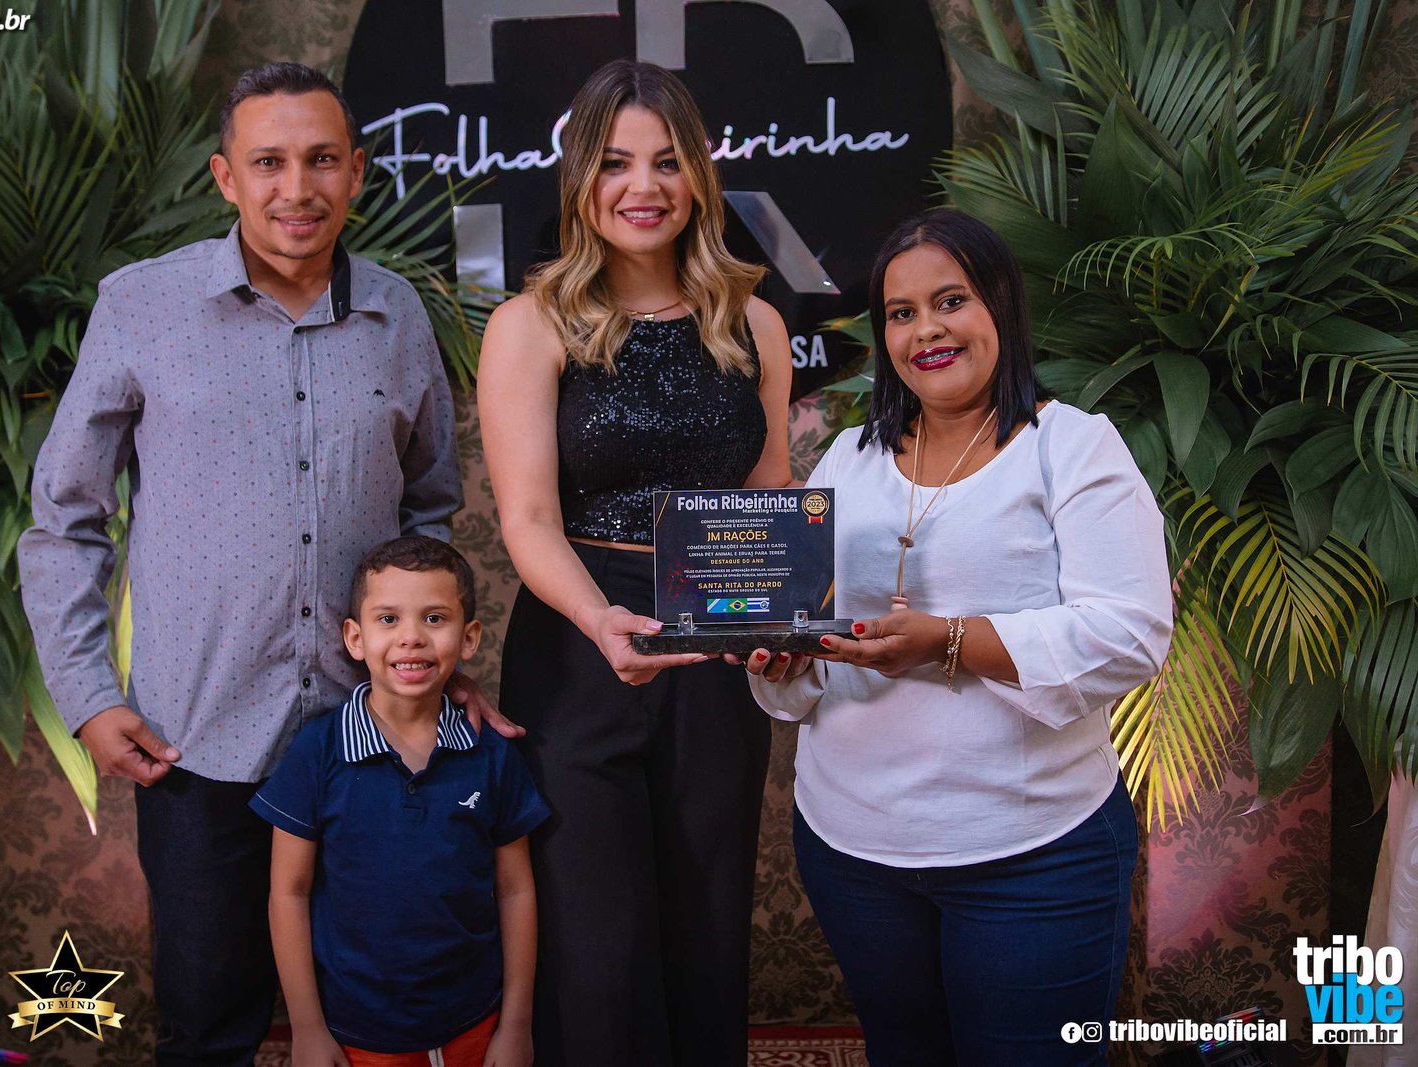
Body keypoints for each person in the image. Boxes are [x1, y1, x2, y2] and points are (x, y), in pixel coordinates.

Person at [17, 64, 510, 1066]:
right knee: (209, 1025)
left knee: (389, 1010)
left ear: (357, 172)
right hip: (199, 740)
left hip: (372, 737)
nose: (297, 188)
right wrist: (88, 694)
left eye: (321, 160)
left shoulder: (397, 316)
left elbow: (427, 510)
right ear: (225, 177)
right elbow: (65, 516)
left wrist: (426, 655)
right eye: (269, 162)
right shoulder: (142, 306)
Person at [742, 208, 1173, 1066]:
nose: (927, 330)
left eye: (950, 301)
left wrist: (946, 639)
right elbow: (807, 661)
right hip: (853, 851)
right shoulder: (848, 459)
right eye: (901, 313)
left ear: (999, 305)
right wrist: (786, 656)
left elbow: (1128, 634)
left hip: (1032, 858)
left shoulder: (1072, 448)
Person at [477, 59, 794, 1067]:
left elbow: (769, 497)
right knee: (595, 947)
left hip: (718, 636)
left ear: (698, 175)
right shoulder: (529, 325)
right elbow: (528, 518)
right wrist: (600, 620)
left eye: (666, 161)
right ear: (581, 179)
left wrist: (783, 623)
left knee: (707, 925)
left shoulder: (754, 322)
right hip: (580, 643)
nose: (642, 186)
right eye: (615, 163)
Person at [250, 536, 548, 1067]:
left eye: (434, 618)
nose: (411, 637)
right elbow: (288, 894)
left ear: (469, 637)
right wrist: (307, 1029)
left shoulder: (492, 754)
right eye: (388, 619)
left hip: (476, 1023)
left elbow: (515, 890)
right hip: (356, 1033)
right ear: (355, 637)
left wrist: (517, 1025)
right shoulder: (318, 751)